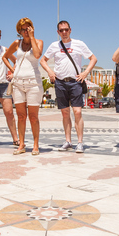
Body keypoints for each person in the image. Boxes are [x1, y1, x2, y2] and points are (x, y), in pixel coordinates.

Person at [40, 20, 97, 153]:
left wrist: (85, 72)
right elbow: (43, 60)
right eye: (61, 30)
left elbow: (93, 58)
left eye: (66, 29)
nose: (64, 32)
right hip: (60, 82)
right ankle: (68, 141)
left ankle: (80, 142)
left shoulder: (79, 44)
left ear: (70, 30)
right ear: (58, 32)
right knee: (65, 113)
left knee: (77, 112)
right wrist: (50, 72)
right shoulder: (54, 45)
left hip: (75, 82)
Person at [3, 18, 44, 155]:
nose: (25, 31)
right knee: (21, 116)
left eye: (28, 28)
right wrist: (13, 70)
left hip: (34, 83)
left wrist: (32, 37)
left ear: (32, 28)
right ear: (19, 31)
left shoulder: (38, 42)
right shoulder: (17, 43)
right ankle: (21, 144)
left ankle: (36, 145)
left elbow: (37, 55)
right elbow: (5, 56)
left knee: (33, 116)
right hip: (18, 83)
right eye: (23, 29)